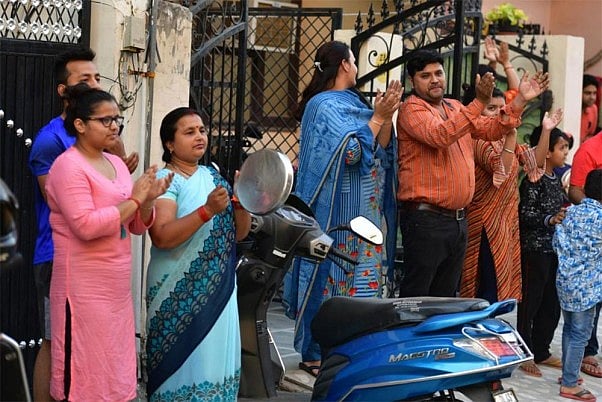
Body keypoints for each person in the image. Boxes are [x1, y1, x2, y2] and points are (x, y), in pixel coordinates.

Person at [44, 84, 171, 401]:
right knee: (82, 373)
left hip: (115, 289)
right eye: (105, 120)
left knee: (113, 371)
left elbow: (136, 226)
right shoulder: (67, 166)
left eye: (117, 119)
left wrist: (148, 200)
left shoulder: (115, 164)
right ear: (80, 124)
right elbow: (86, 225)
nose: (114, 126)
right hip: (82, 290)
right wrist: (135, 199)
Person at [282, 40, 401, 377]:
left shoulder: (355, 102)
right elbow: (349, 154)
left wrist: (385, 117)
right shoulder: (321, 105)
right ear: (345, 65)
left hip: (366, 213)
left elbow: (380, 150)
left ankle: (354, 351)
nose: (356, 66)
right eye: (353, 60)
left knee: (364, 285)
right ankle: (316, 354)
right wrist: (377, 117)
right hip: (335, 214)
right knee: (331, 283)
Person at [27, 46, 138, 402]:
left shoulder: (107, 146)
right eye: (85, 79)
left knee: (102, 349)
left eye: (97, 77)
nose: (94, 84)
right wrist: (128, 199)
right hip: (59, 254)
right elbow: (62, 204)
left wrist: (125, 175)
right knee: (58, 341)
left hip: (106, 263)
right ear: (65, 90)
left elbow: (122, 201)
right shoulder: (52, 143)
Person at [396, 49, 548, 298]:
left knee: (445, 301)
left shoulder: (454, 106)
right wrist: (478, 103)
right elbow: (440, 135)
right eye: (425, 75)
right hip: (426, 220)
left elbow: (491, 129)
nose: (434, 80)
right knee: (417, 300)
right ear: (413, 81)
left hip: (457, 220)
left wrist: (520, 100)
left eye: (438, 73)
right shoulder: (411, 109)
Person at [145, 107, 251, 401]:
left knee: (214, 367)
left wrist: (241, 203)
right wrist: (206, 210)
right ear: (170, 143)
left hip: (219, 289)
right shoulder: (166, 181)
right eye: (189, 132)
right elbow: (162, 236)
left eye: (202, 130)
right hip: (176, 291)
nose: (199, 136)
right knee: (181, 370)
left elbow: (239, 234)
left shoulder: (213, 176)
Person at [461, 86, 563, 303]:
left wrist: (546, 130)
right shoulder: (477, 140)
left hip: (506, 224)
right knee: (487, 290)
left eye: (502, 109)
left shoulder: (504, 139)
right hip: (485, 226)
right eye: (491, 108)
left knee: (500, 291)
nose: (500, 114)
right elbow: (501, 170)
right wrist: (510, 136)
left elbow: (535, 160)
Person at [517, 126, 572, 377]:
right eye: (562, 148)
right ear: (547, 152)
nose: (566, 152)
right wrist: (549, 219)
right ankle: (523, 350)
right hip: (535, 249)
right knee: (531, 302)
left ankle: (541, 349)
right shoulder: (533, 181)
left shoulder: (555, 180)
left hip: (553, 250)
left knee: (551, 303)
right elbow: (525, 215)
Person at [553, 168, 602, 402]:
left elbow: (556, 242)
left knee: (569, 328)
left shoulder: (569, 212)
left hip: (564, 280)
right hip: (587, 287)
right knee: (580, 333)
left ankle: (568, 374)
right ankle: (570, 384)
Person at [568, 130, 602, 379]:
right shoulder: (590, 150)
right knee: (588, 310)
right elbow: (575, 190)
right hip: (591, 254)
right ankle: (585, 354)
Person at [581, 74, 599, 143]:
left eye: (594, 93)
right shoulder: (571, 109)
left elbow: (590, 135)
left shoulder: (593, 109)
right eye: (588, 93)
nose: (592, 97)